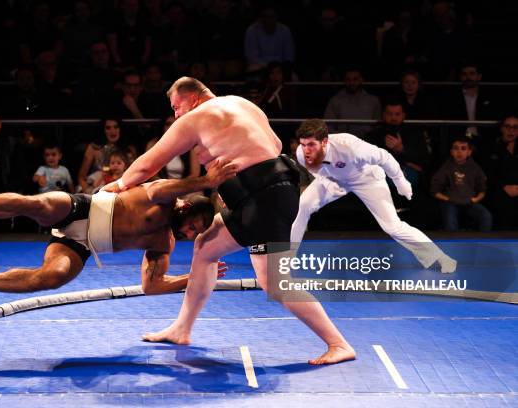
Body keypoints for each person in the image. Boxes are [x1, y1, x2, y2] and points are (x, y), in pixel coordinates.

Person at [104, 77, 356, 365]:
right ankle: (182, 329)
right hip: (269, 192)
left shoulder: (196, 117)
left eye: (176, 107)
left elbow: (150, 163)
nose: (175, 115)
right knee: (205, 247)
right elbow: (272, 144)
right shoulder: (242, 104)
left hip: (264, 199)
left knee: (274, 282)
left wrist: (119, 185)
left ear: (193, 97)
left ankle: (338, 343)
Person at [0, 158, 236, 318]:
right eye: (193, 224)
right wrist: (208, 180)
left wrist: (193, 276)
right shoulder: (163, 196)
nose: (190, 233)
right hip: (81, 208)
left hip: (83, 245)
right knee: (35, 204)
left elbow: (151, 286)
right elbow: (175, 187)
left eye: (195, 232)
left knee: (53, 277)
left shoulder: (162, 242)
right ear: (186, 206)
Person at [292, 119, 457, 272]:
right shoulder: (302, 152)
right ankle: (285, 259)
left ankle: (441, 258)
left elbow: (385, 158)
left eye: (311, 145)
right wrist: (329, 183)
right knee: (303, 205)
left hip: (367, 179)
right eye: (303, 144)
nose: (306, 150)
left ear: (325, 142)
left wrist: (400, 181)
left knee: (392, 226)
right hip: (334, 179)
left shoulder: (351, 147)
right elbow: (314, 169)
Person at [431, 136, 492, 232]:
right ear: (451, 152)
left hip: (469, 202)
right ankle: (453, 245)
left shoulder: (475, 168)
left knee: (486, 216)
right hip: (451, 203)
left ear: (469, 152)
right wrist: (448, 199)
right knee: (450, 221)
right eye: (456, 148)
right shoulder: (446, 167)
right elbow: (434, 190)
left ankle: (483, 244)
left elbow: (482, 190)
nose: (459, 152)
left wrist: (475, 199)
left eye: (463, 148)